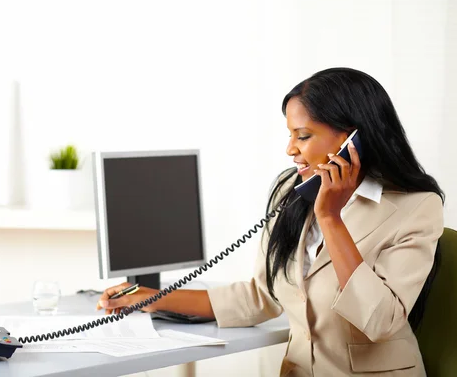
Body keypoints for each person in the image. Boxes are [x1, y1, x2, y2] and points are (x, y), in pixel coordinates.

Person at [97, 67, 444, 376]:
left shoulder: (416, 207)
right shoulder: (292, 193)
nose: (290, 149)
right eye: (290, 135)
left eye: (303, 136)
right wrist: (150, 298)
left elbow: (380, 321)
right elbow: (260, 296)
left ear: (353, 139)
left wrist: (330, 218)